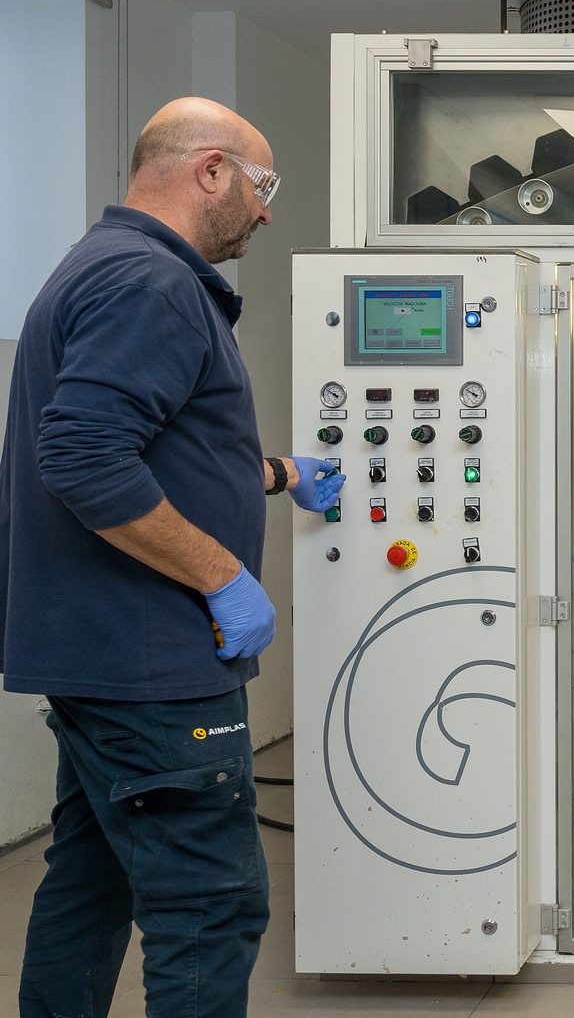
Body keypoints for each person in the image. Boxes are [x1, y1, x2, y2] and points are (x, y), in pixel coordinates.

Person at [1, 97, 344, 1018]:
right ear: (210, 171)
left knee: (92, 883)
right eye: (262, 185)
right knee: (211, 904)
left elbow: (155, 442)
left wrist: (275, 474)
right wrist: (224, 576)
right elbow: (80, 454)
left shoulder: (100, 267)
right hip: (155, 666)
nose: (266, 211)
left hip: (101, 657)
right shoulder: (152, 282)